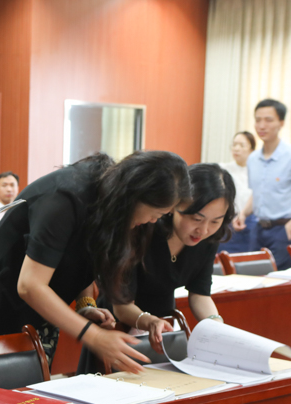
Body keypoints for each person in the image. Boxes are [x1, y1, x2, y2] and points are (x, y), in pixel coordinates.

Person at [0, 151, 191, 373]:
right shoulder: (64, 198)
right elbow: (29, 285)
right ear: (137, 195)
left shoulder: (110, 197)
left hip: (44, 308)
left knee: (33, 387)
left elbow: (82, 255)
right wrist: (94, 336)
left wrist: (85, 305)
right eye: (156, 213)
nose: (154, 221)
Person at [76, 164, 235, 373]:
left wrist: (216, 324)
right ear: (176, 204)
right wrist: (148, 321)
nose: (203, 230)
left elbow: (200, 294)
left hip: (162, 326)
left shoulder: (206, 240)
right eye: (196, 219)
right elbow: (122, 306)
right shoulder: (143, 229)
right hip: (117, 325)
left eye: (215, 221)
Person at [235, 99, 291, 269]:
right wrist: (243, 213)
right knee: (251, 275)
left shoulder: (289, 156)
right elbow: (257, 192)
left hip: (283, 230)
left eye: (268, 120)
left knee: (277, 279)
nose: (261, 126)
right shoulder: (253, 159)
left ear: (281, 123)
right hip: (258, 229)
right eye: (258, 120)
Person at [219, 132, 256, 253]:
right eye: (234, 144)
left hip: (250, 222)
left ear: (252, 149)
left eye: (242, 145)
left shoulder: (257, 171)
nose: (236, 148)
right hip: (228, 221)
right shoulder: (223, 169)